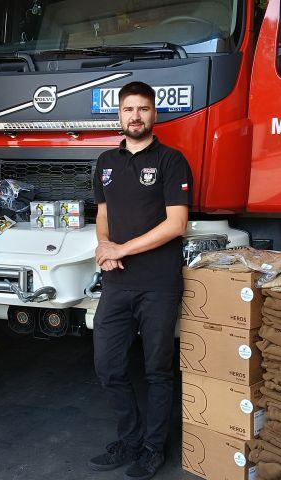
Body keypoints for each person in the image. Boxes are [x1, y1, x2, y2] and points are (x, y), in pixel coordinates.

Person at [88, 81, 192, 480]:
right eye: (129, 109)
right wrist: (104, 245)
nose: (136, 116)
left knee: (157, 370)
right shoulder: (106, 161)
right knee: (108, 365)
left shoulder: (171, 160)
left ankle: (152, 449)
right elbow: (103, 213)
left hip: (158, 284)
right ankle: (130, 440)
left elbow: (177, 224)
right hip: (117, 282)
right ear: (119, 114)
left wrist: (122, 249)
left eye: (143, 109)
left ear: (154, 114)